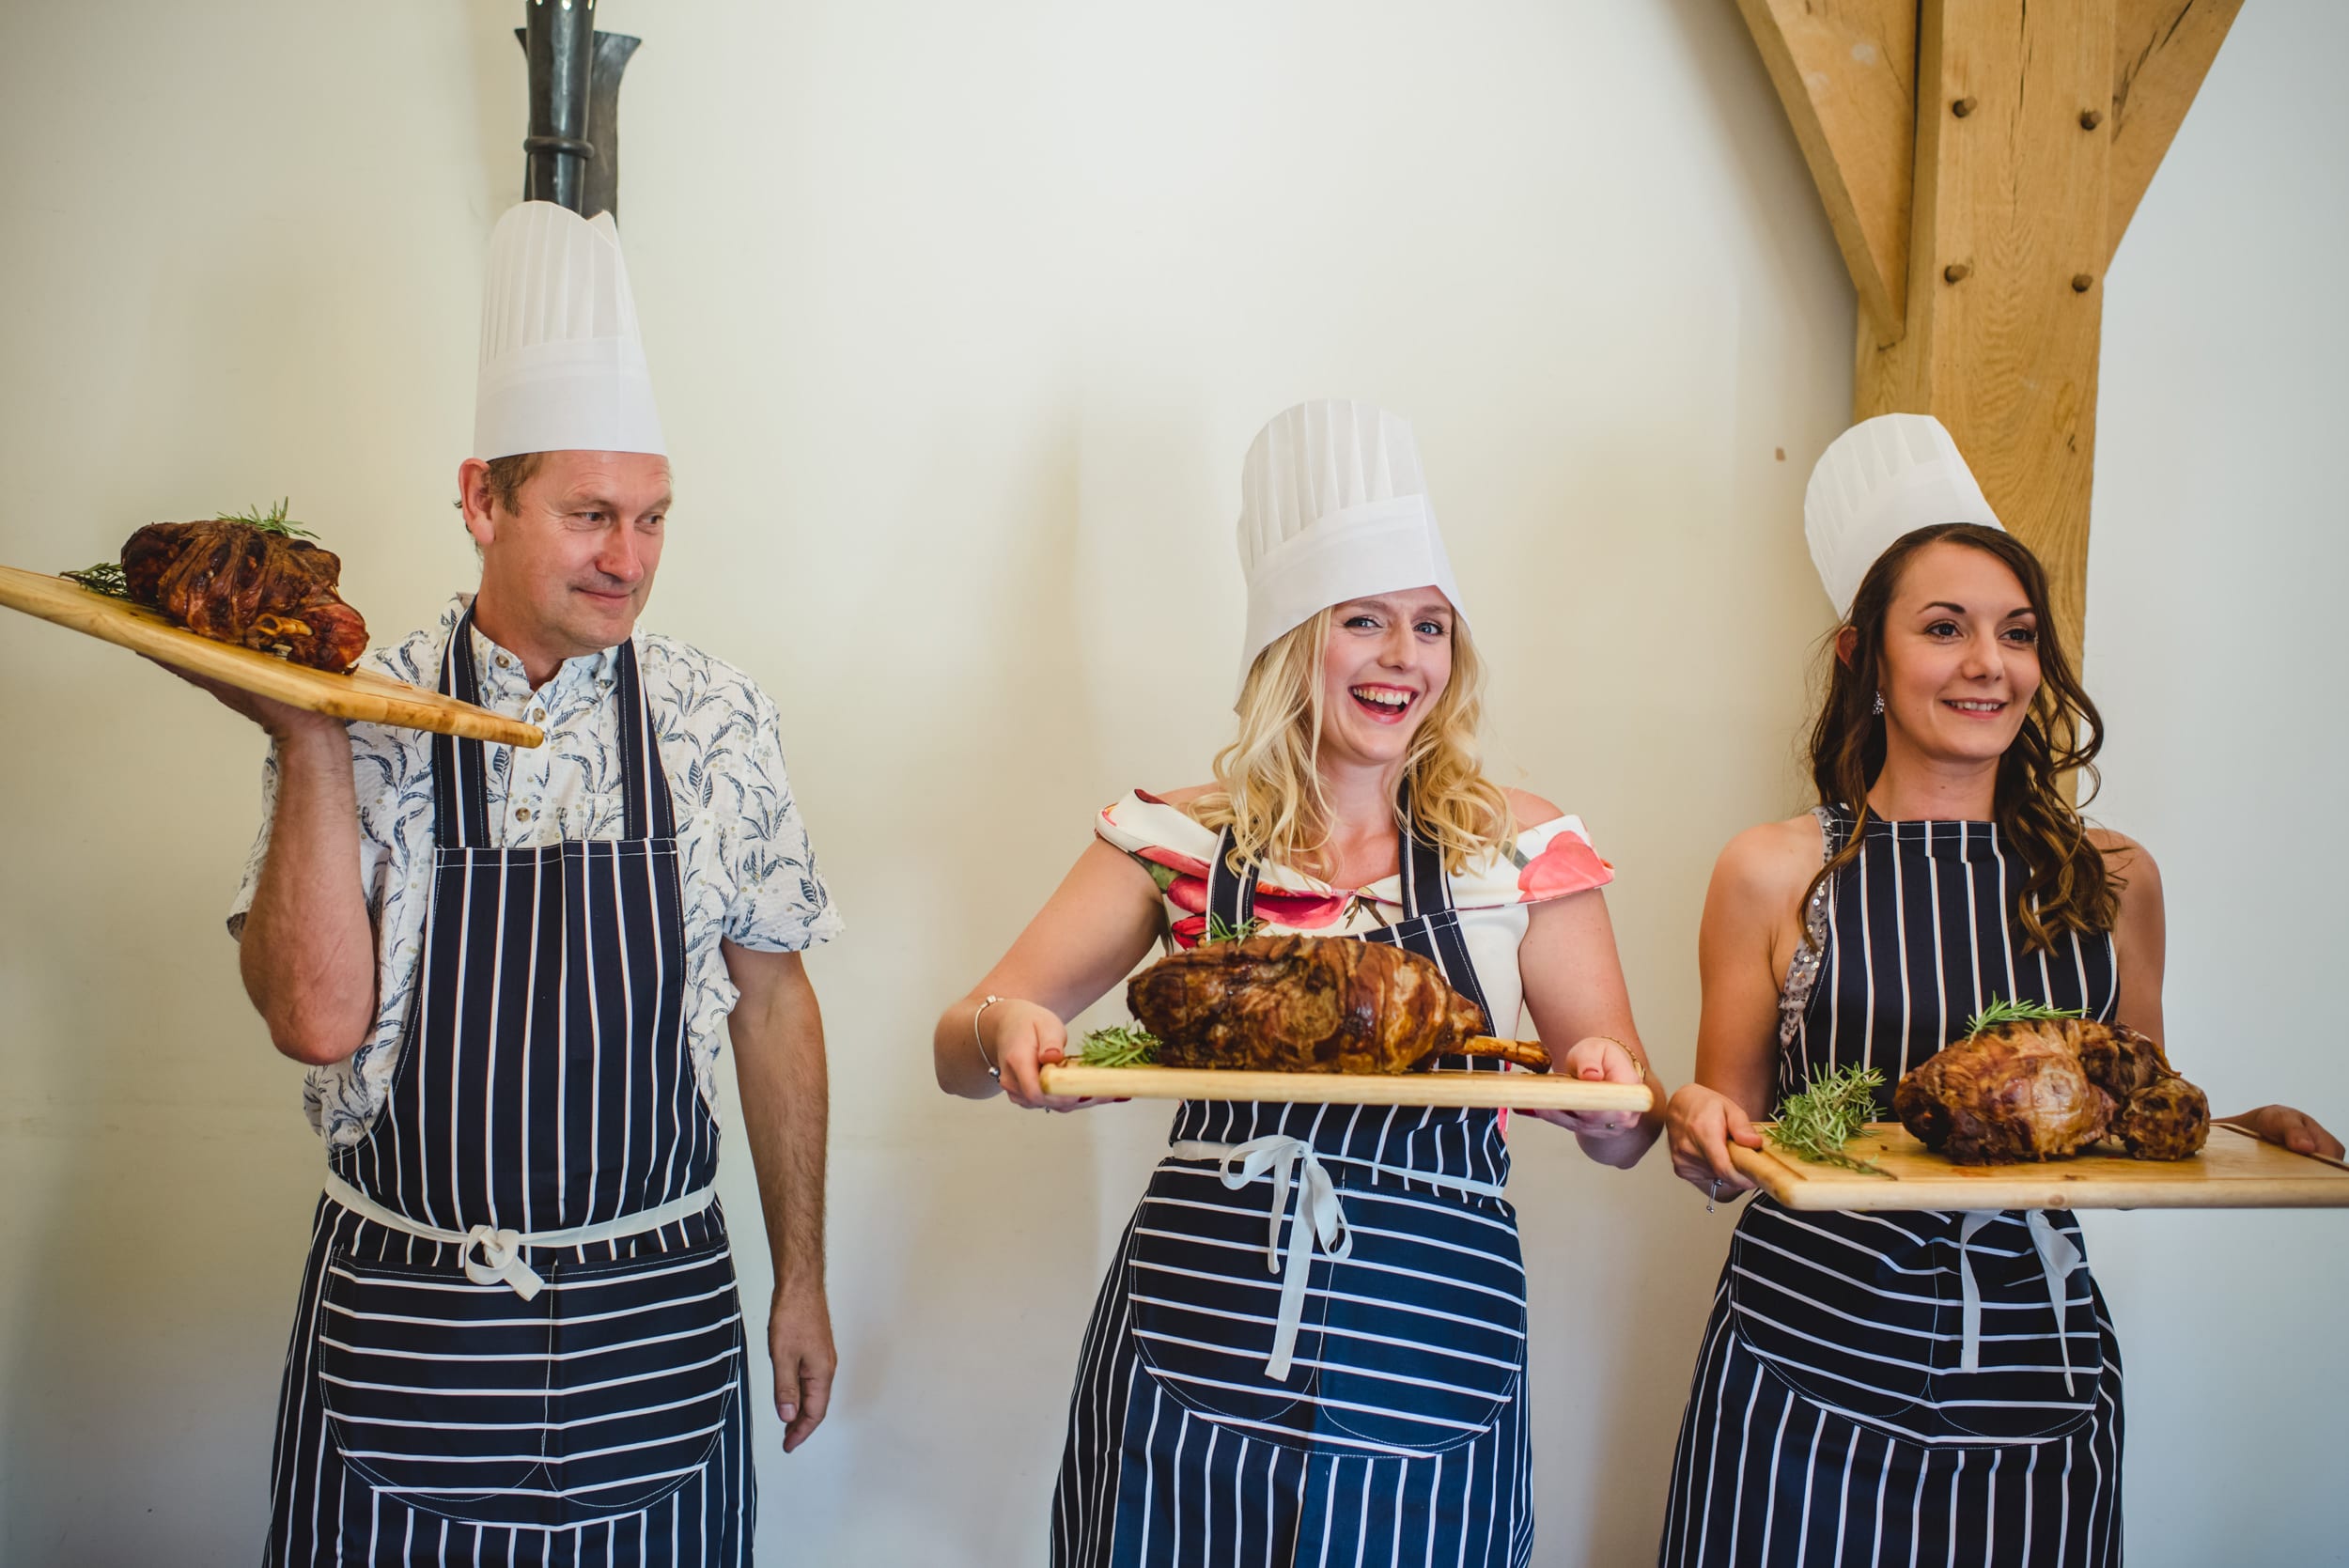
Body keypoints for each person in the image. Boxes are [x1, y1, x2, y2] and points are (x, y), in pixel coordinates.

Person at [200, 202, 840, 1562]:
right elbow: (315, 1021)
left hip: (658, 1332)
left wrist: (803, 1279)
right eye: (592, 514)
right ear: (481, 498)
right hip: (409, 1336)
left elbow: (774, 1006)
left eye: (654, 517)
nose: (630, 557)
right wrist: (305, 735)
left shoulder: (717, 721)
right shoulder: (359, 710)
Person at [933, 399, 1662, 1565]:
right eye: (1362, 620)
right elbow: (957, 1045)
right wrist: (1001, 1029)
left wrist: (1602, 1084)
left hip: (1434, 1342)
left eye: (1430, 626)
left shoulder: (1519, 847)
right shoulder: (1173, 837)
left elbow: (1627, 1126)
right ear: (1286, 641)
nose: (1402, 656)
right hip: (1193, 1330)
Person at [1657, 413, 2342, 1565]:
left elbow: (2126, 1118)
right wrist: (1695, 1126)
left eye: (2016, 634)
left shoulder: (2112, 878)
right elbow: (1724, 1152)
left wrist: (2231, 1132)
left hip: (2037, 1370)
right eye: (1943, 628)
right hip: (1802, 1363)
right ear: (1860, 654)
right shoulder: (1774, 870)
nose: (1990, 663)